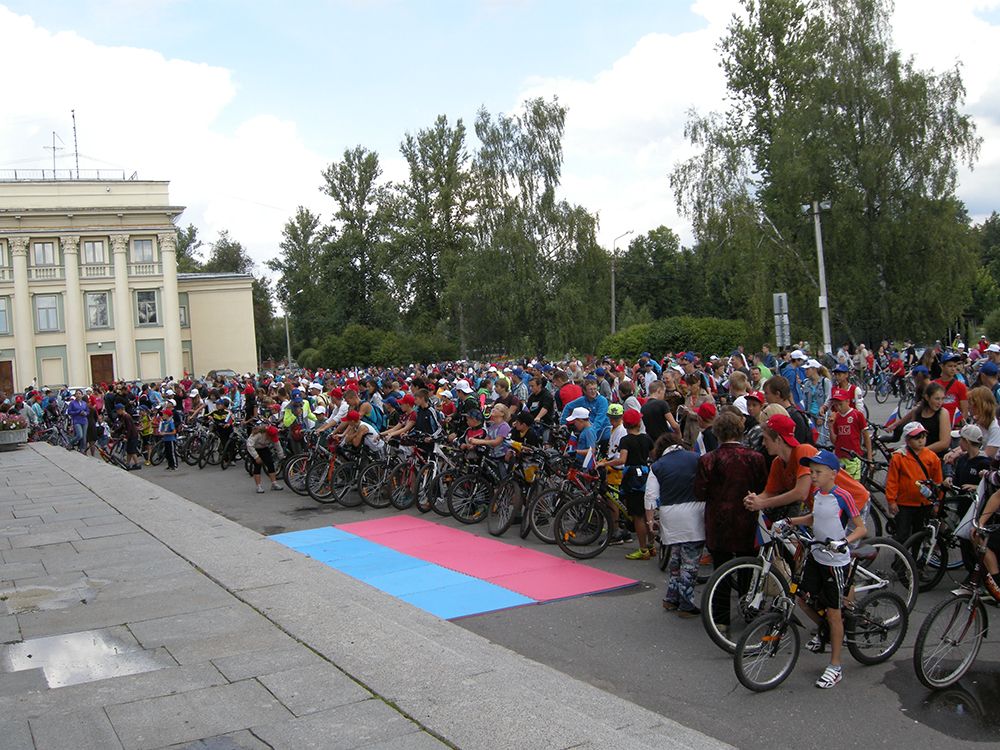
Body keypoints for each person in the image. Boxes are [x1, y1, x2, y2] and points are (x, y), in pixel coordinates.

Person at [773, 450, 867, 689]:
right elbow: (815, 518)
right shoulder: (817, 494)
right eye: (811, 471)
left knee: (835, 613)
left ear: (833, 474)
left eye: (818, 472)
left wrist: (843, 542)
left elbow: (860, 528)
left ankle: (835, 666)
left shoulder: (843, 496)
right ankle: (824, 630)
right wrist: (791, 521)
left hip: (835, 562)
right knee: (803, 597)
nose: (813, 476)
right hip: (816, 556)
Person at [694, 411, 768, 632]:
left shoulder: (708, 459)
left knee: (721, 570)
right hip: (747, 517)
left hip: (719, 520)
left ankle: (721, 619)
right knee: (748, 568)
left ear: (717, 433)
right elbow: (763, 487)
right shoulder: (755, 458)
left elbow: (699, 492)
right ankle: (748, 611)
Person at [645, 432, 703, 616]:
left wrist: (650, 521)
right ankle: (686, 603)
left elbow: (650, 496)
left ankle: (671, 597)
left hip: (669, 515)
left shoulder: (658, 466)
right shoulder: (696, 458)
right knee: (690, 560)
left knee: (676, 557)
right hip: (694, 513)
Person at [602, 409, 653, 559]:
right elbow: (653, 455)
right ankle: (651, 545)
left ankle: (643, 550)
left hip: (632, 478)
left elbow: (622, 459)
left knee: (638, 516)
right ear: (639, 423)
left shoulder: (626, 440)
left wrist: (606, 463)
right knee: (647, 513)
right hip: (646, 475)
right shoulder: (646, 438)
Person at [886, 421, 943, 545]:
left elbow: (938, 481)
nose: (921, 441)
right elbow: (892, 480)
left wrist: (938, 501)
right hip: (904, 503)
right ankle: (900, 556)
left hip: (924, 503)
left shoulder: (932, 457)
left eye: (923, 437)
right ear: (907, 440)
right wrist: (891, 501)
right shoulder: (899, 457)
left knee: (919, 535)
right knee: (902, 535)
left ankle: (915, 556)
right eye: (916, 438)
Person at [828, 388, 872, 479]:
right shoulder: (836, 417)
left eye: (840, 404)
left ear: (847, 401)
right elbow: (834, 441)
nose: (838, 407)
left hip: (853, 456)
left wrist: (869, 457)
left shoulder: (857, 415)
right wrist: (830, 427)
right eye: (836, 405)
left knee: (854, 483)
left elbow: (866, 436)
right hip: (839, 456)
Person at [247, 424, 286, 494]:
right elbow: (249, 445)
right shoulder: (258, 434)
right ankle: (258, 486)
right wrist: (256, 457)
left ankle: (274, 484)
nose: (271, 438)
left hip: (264, 448)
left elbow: (277, 445)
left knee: (270, 464)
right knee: (257, 466)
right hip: (254, 449)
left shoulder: (273, 435)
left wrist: (281, 456)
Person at [115, 402, 142, 470]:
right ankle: (127, 463)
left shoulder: (127, 416)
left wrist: (126, 437)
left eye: (117, 411)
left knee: (132, 451)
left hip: (132, 435)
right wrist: (116, 431)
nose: (117, 412)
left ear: (120, 410)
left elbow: (129, 428)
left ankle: (137, 464)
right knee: (129, 450)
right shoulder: (124, 416)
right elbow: (123, 426)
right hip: (130, 435)